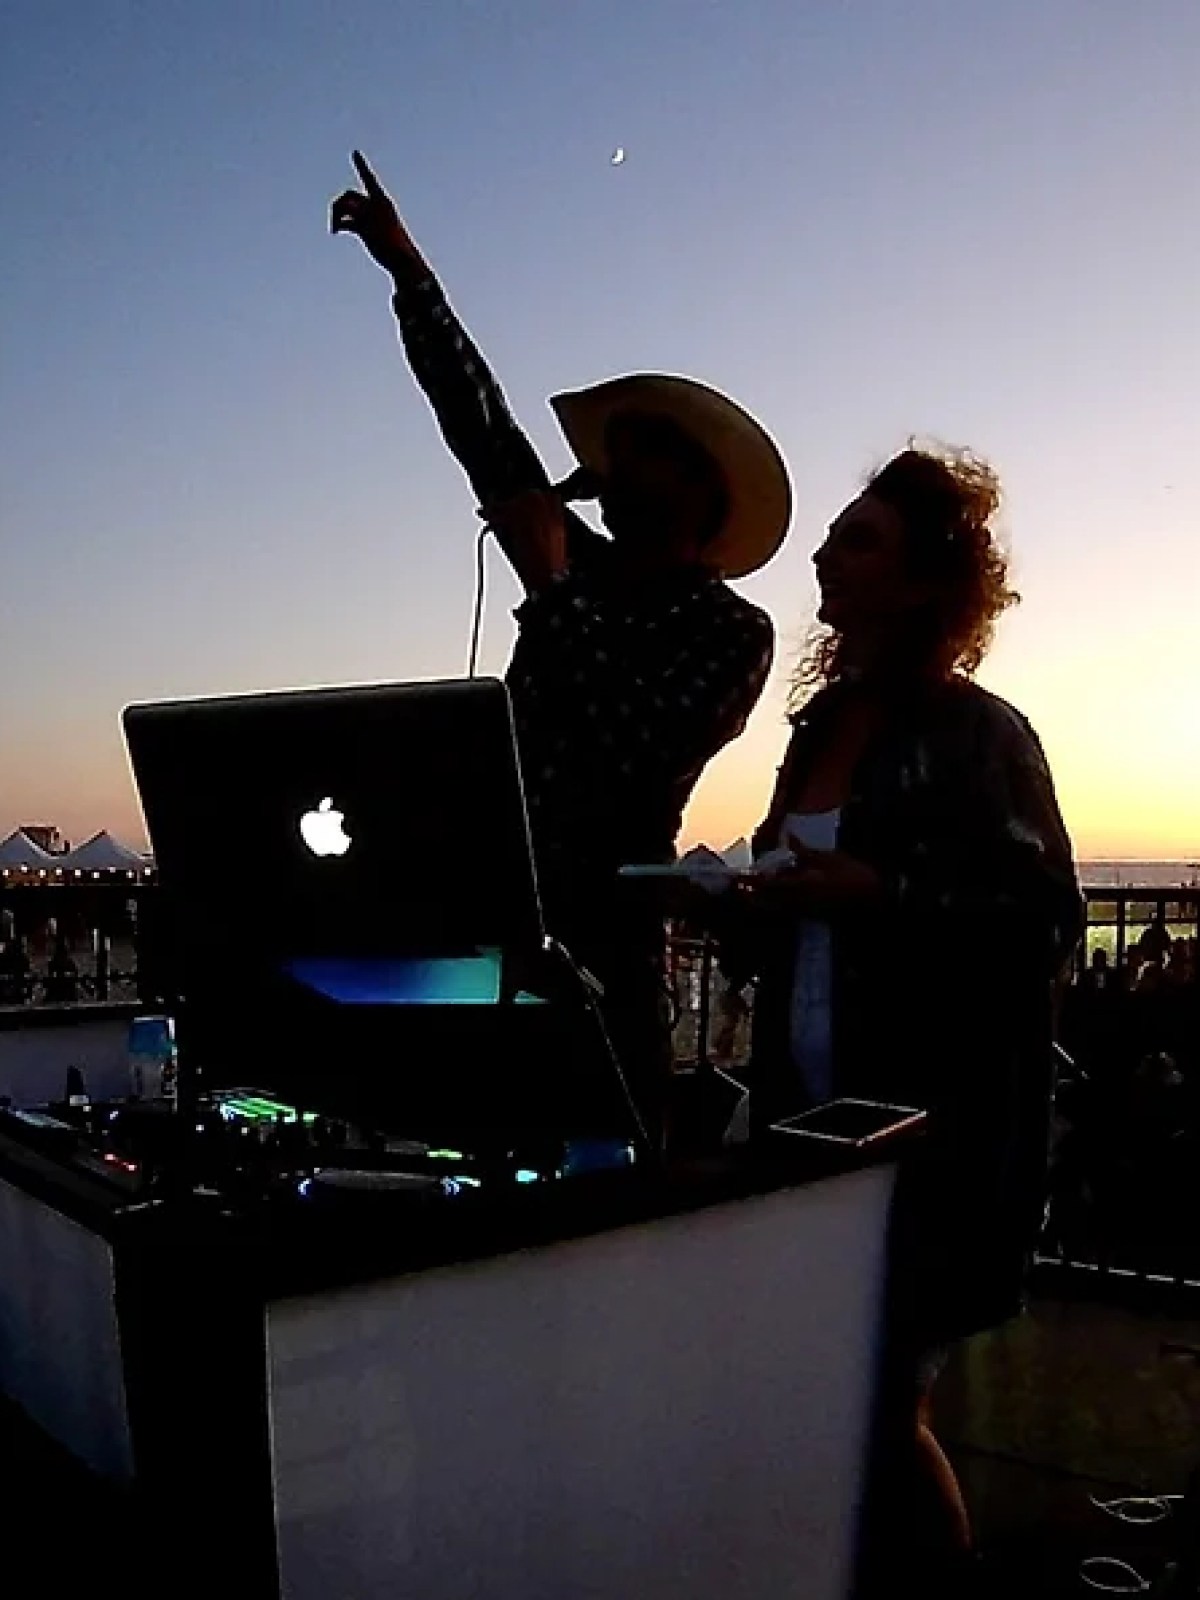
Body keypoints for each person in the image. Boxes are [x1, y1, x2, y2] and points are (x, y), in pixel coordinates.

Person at [330, 152, 791, 1150]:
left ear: (696, 491)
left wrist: (550, 594)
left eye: (637, 454)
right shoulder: (577, 564)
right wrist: (411, 276)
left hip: (605, 957)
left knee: (602, 1171)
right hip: (489, 931)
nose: (607, 468)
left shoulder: (733, 632)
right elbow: (482, 428)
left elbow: (636, 750)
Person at [711, 443, 1083, 1587]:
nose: (825, 553)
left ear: (927, 579)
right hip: (810, 1120)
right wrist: (742, 902)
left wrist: (882, 892)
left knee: (878, 1408)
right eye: (833, 535)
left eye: (859, 539)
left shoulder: (982, 735)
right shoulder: (818, 728)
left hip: (933, 1139)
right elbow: (795, 909)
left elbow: (1045, 920)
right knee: (822, 1403)